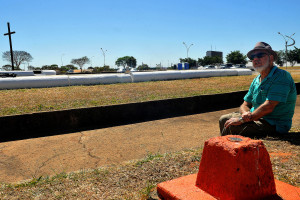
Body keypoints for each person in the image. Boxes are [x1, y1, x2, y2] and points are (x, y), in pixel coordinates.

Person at [219, 42, 297, 137]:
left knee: (231, 126)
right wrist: (245, 114)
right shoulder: (257, 79)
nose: (255, 59)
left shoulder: (281, 76)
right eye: (252, 57)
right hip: (255, 118)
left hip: (273, 124)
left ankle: (232, 149)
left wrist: (242, 119)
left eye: (260, 55)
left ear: (271, 58)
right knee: (224, 119)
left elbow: (269, 106)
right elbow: (245, 103)